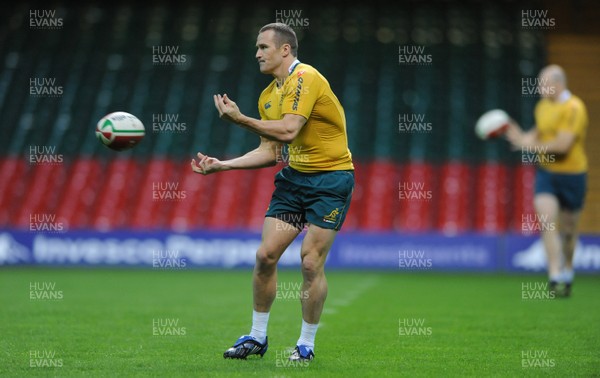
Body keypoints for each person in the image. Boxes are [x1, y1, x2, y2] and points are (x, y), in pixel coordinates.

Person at [191, 23, 354, 361]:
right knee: (265, 256)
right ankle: (257, 337)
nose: (257, 54)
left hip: (331, 180)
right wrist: (223, 164)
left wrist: (239, 119)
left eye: (263, 47)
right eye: (256, 48)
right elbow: (270, 152)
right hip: (294, 180)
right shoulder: (268, 97)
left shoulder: (306, 78)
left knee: (310, 262)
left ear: (285, 50)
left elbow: (290, 129)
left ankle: (306, 343)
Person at [506, 64, 588, 297]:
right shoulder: (542, 106)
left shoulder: (574, 108)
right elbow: (538, 131)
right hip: (547, 174)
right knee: (547, 221)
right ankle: (554, 274)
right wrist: (519, 136)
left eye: (544, 83)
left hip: (573, 175)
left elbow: (562, 146)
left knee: (570, 230)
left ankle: (568, 269)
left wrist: (528, 145)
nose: (539, 87)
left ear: (558, 84)